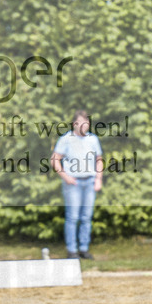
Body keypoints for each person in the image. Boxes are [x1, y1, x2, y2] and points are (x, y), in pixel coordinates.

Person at [51, 110, 104, 259]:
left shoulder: (93, 139)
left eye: (86, 123)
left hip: (89, 181)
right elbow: (55, 160)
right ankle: (72, 250)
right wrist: (65, 176)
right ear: (75, 123)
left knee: (86, 217)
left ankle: (83, 248)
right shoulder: (66, 139)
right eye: (81, 122)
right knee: (73, 217)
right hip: (73, 183)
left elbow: (99, 160)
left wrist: (98, 178)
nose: (84, 125)